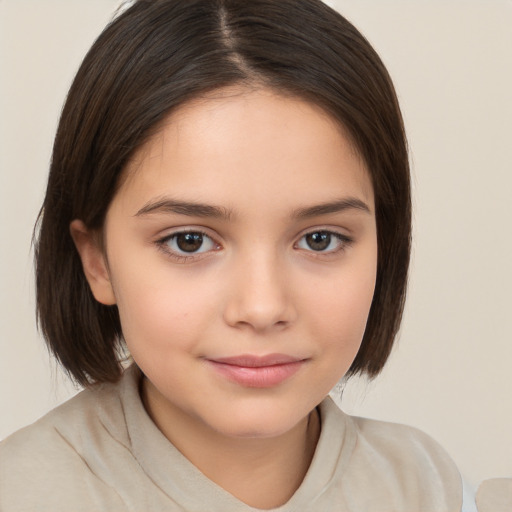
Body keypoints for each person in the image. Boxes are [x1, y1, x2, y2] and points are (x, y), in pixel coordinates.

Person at [0, 0, 472, 510]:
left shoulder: (426, 485)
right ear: (97, 260)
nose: (262, 307)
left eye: (320, 239)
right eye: (189, 241)